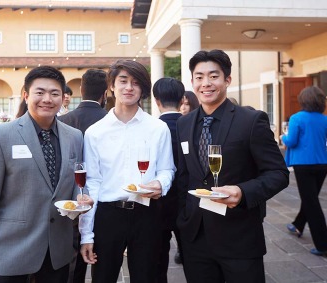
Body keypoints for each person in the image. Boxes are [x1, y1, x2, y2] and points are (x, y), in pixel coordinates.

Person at [0, 65, 93, 283]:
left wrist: (80, 198)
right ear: (26, 95)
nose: (47, 99)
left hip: (57, 252)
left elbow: (75, 180)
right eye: (40, 92)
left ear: (63, 98)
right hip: (11, 249)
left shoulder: (75, 137)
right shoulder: (0, 136)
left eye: (54, 93)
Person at [176, 49, 289, 283]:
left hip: (239, 236)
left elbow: (278, 173)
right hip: (195, 237)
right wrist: (181, 219)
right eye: (199, 77)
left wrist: (242, 191)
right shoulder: (184, 123)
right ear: (192, 81)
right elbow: (183, 175)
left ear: (227, 80)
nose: (206, 83)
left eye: (213, 76)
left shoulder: (251, 120)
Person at [79, 59, 175, 283]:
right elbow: (91, 182)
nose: (129, 87)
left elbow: (167, 169)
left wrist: (160, 184)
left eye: (136, 83)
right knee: (103, 277)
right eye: (123, 81)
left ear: (143, 89)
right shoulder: (95, 132)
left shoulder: (158, 128)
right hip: (108, 214)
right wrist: (87, 234)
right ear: (111, 86)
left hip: (147, 213)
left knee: (147, 277)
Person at [58, 69, 108, 283]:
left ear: (81, 89)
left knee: (71, 269)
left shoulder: (63, 121)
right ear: (106, 94)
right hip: (104, 204)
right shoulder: (110, 120)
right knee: (104, 266)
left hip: (70, 203)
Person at [280, 86, 327, 256]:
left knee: (311, 202)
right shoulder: (324, 119)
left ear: (303, 100)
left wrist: (281, 137)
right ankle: (298, 224)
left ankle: (323, 244)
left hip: (303, 165)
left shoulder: (296, 118)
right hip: (322, 164)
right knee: (311, 198)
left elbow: (291, 141)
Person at [152, 77, 185, 283]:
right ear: (182, 100)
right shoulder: (191, 125)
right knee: (192, 258)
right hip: (186, 203)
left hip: (159, 203)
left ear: (156, 101)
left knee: (158, 260)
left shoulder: (152, 129)